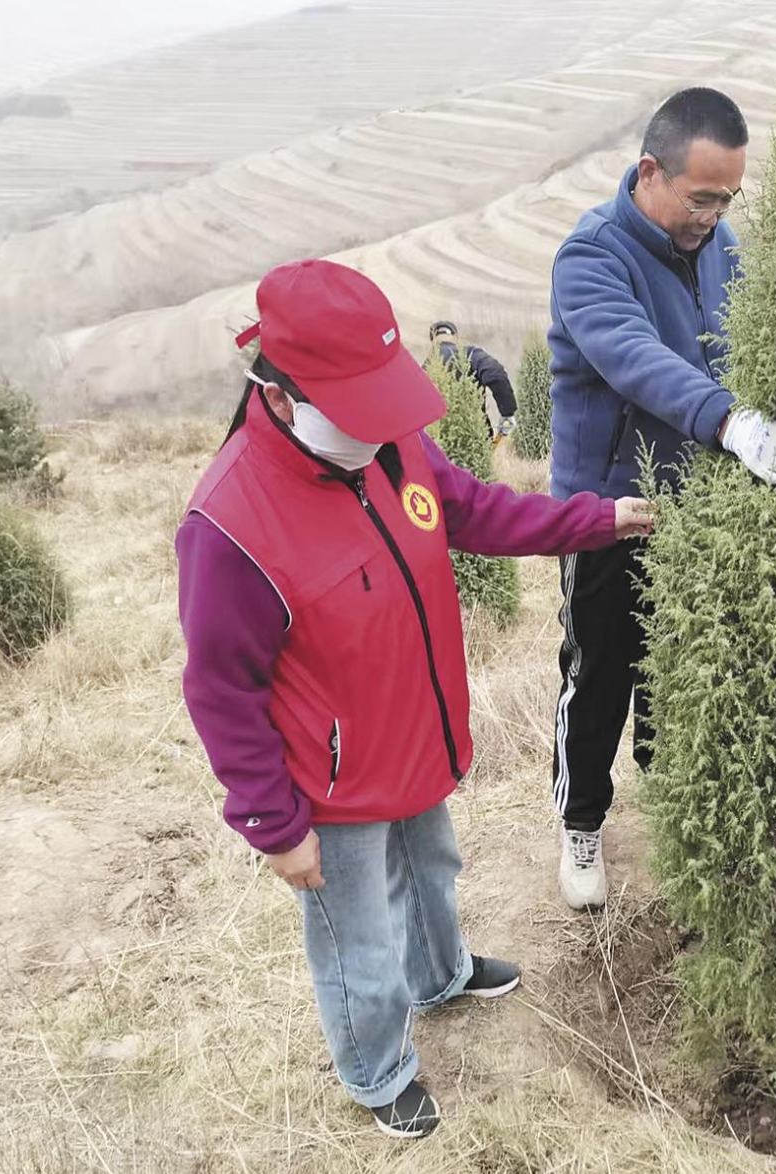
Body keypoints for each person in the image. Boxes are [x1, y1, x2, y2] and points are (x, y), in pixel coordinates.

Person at [176, 259, 655, 1140]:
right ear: (281, 398)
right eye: (359, 412)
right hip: (329, 786)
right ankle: (375, 1069)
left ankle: (441, 975)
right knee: (355, 939)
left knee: (432, 868)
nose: (384, 431)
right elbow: (219, 691)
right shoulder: (230, 528)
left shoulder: (389, 442)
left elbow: (473, 510)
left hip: (415, 734)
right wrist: (273, 826)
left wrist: (595, 518)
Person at [547, 87, 776, 911]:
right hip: (610, 511)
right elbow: (631, 357)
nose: (714, 215)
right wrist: (728, 421)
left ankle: (678, 810)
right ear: (650, 171)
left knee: (681, 673)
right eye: (702, 197)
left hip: (695, 511)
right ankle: (581, 825)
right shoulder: (591, 257)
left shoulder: (720, 247)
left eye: (728, 198)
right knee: (600, 677)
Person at [426, 321, 518, 439]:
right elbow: (495, 372)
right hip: (476, 442)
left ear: (433, 342)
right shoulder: (469, 354)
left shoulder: (424, 369)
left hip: (436, 447)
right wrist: (507, 412)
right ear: (456, 338)